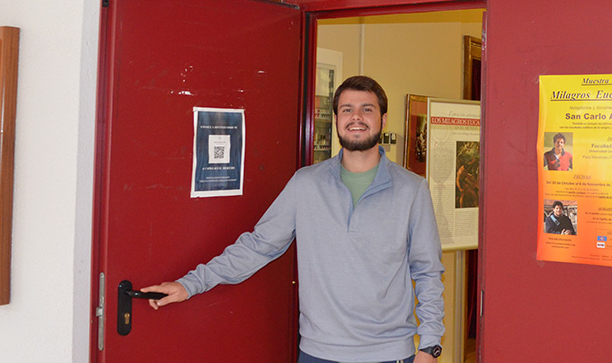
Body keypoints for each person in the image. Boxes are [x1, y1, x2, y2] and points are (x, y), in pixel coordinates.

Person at [142, 76, 445, 363]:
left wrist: (429, 346)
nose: (356, 117)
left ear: (382, 120)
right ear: (337, 119)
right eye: (347, 109)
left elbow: (427, 271)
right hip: (318, 351)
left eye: (367, 109)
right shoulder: (306, 184)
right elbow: (259, 245)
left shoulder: (411, 189)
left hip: (388, 352)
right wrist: (190, 284)